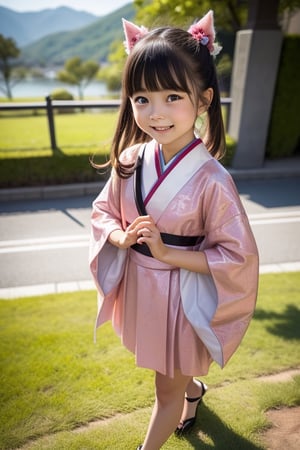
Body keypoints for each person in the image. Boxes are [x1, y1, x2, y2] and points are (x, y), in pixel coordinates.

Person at [89, 10, 259, 450]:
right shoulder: (130, 160)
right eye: (142, 99)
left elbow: (236, 256)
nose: (155, 113)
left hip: (182, 296)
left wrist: (168, 255)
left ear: (203, 100)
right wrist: (119, 237)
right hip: (143, 288)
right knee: (163, 366)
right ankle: (193, 390)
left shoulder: (213, 180)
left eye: (171, 97)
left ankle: (175, 406)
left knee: (164, 388)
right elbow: (103, 210)